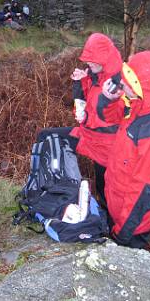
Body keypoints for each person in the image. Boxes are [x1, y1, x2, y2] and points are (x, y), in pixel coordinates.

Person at [99, 51, 150, 248]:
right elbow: (109, 120)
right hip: (117, 206)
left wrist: (123, 233)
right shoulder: (141, 101)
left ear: (142, 84)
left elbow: (148, 190)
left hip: (131, 224)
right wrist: (108, 99)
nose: (123, 83)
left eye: (128, 81)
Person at [37, 33, 123, 209]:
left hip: (106, 147)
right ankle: (54, 190)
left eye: (93, 59)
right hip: (88, 135)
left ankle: (107, 227)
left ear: (105, 59)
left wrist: (108, 101)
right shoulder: (95, 76)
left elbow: (112, 117)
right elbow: (82, 108)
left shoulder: (117, 84)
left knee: (105, 191)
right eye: (88, 59)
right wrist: (79, 82)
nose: (88, 63)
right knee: (45, 136)